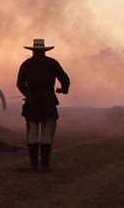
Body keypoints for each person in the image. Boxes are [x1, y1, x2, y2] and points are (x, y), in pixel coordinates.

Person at [17, 39, 70, 172]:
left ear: (33, 50)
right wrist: (63, 90)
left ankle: (34, 166)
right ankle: (45, 166)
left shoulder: (26, 64)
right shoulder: (52, 63)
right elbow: (65, 79)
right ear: (45, 50)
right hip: (48, 100)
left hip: (32, 102)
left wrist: (28, 94)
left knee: (32, 133)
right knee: (47, 133)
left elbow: (19, 84)